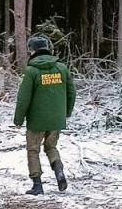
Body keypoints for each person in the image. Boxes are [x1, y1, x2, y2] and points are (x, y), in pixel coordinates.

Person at [13, 36, 76, 195]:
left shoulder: (31, 71)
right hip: (56, 119)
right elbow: (72, 93)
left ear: (32, 50)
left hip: (36, 121)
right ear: (47, 48)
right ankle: (59, 171)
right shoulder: (62, 68)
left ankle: (37, 185)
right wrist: (66, 112)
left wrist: (18, 119)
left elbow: (23, 98)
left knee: (33, 150)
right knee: (51, 147)